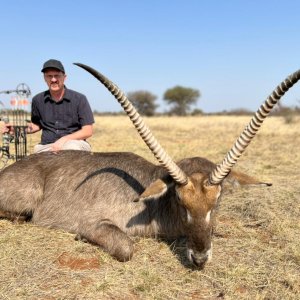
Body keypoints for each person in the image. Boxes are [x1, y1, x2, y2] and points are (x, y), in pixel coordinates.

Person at [3, 59, 94, 153]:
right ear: (44, 78)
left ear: (64, 77)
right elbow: (37, 125)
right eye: (49, 76)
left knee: (70, 149)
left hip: (75, 144)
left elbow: (87, 131)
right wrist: (17, 128)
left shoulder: (79, 99)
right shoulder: (37, 100)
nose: (53, 80)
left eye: (57, 76)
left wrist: (64, 139)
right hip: (47, 146)